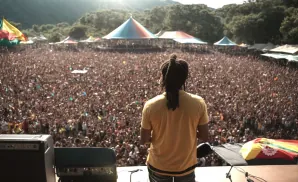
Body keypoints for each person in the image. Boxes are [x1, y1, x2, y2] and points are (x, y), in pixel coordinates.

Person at [140, 54, 209, 182]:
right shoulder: (198, 103)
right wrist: (188, 131)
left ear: (163, 78)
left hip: (158, 166)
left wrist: (161, 136)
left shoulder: (150, 105)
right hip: (185, 166)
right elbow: (205, 136)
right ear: (185, 79)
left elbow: (144, 139)